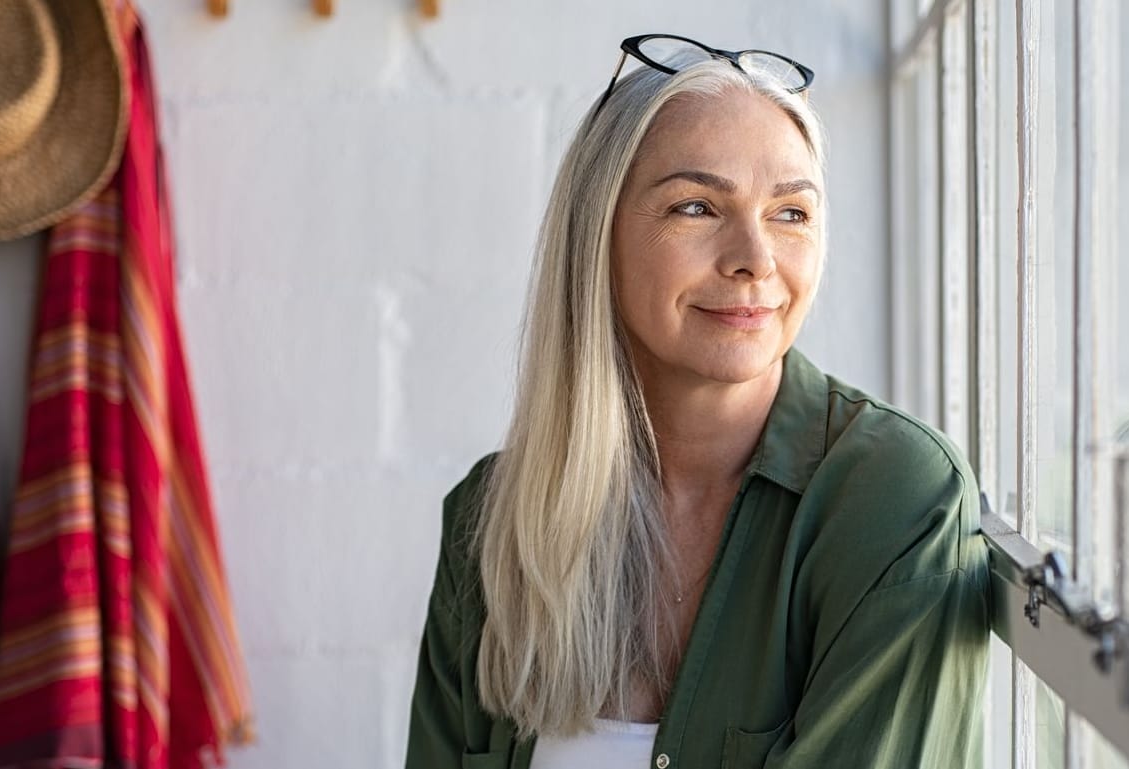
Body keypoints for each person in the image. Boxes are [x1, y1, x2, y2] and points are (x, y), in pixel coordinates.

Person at [406, 34, 991, 769]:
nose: (754, 256)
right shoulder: (492, 518)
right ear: (598, 236)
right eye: (695, 206)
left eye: (790, 213)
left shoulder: (893, 499)